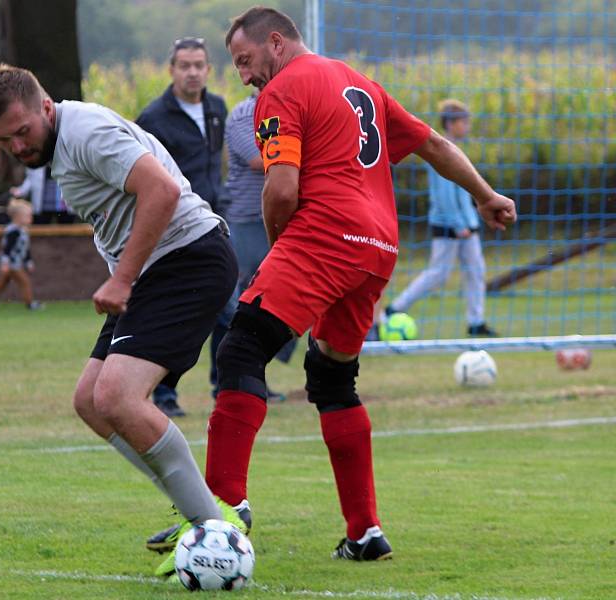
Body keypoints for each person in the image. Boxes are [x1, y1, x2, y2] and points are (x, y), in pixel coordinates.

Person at [148, 7, 517, 572]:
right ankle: (365, 530)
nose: (243, 76)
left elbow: (282, 188)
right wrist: (487, 194)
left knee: (241, 349)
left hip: (323, 236)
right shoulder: (359, 83)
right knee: (331, 377)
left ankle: (221, 509)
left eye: (244, 60)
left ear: (275, 42)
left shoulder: (283, 91)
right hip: (378, 249)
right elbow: (435, 145)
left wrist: (280, 248)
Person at [0, 64, 246, 569]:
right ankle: (198, 510)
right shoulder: (60, 144)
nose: (16, 146)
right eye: (3, 140)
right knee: (91, 400)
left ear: (46, 108)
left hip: (188, 256)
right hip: (156, 270)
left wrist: (121, 278)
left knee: (116, 395)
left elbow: (162, 192)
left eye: (22, 132)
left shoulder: (86, 133)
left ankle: (212, 528)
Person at [136, 37, 229, 417]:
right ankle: (163, 392)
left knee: (227, 309)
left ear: (208, 69)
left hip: (214, 224)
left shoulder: (217, 108)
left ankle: (227, 388)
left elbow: (216, 164)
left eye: (199, 65)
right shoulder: (152, 118)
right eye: (185, 65)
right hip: (173, 231)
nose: (192, 72)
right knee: (187, 314)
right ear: (171, 70)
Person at [385, 99, 497, 336]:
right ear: (450, 123)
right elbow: (445, 195)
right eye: (463, 122)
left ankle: (476, 322)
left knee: (476, 271)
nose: (467, 126)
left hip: (468, 225)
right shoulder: (441, 151)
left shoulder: (457, 149)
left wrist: (470, 221)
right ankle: (394, 309)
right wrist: (458, 225)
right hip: (449, 226)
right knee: (438, 274)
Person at [222, 91, 296, 398]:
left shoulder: (292, 108)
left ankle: (256, 371)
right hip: (248, 218)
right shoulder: (244, 114)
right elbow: (260, 159)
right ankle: (237, 379)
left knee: (280, 295)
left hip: (280, 216)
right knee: (243, 302)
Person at [10, 166, 76, 224]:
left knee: (66, 231)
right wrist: (21, 190)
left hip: (64, 206)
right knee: (40, 230)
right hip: (43, 206)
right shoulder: (37, 160)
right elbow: (31, 179)